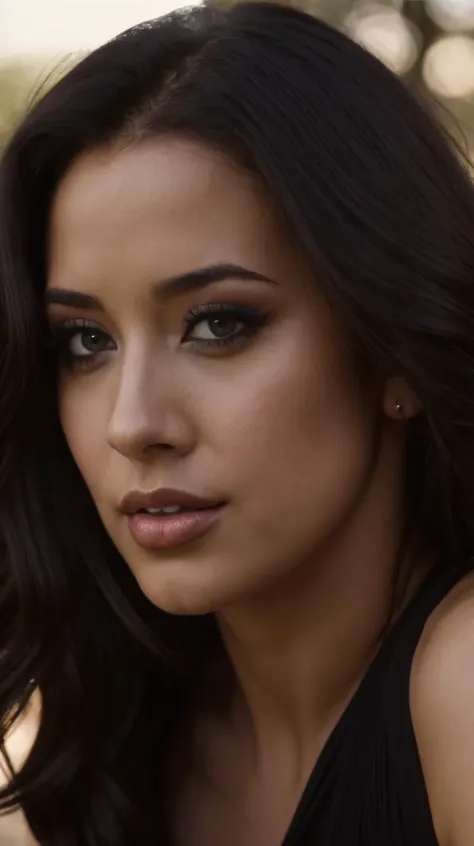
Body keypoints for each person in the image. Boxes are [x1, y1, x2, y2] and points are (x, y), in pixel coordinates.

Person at [1, 2, 474, 844]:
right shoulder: (118, 730)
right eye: (85, 340)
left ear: (392, 350)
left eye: (220, 324)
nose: (133, 423)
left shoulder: (464, 681)